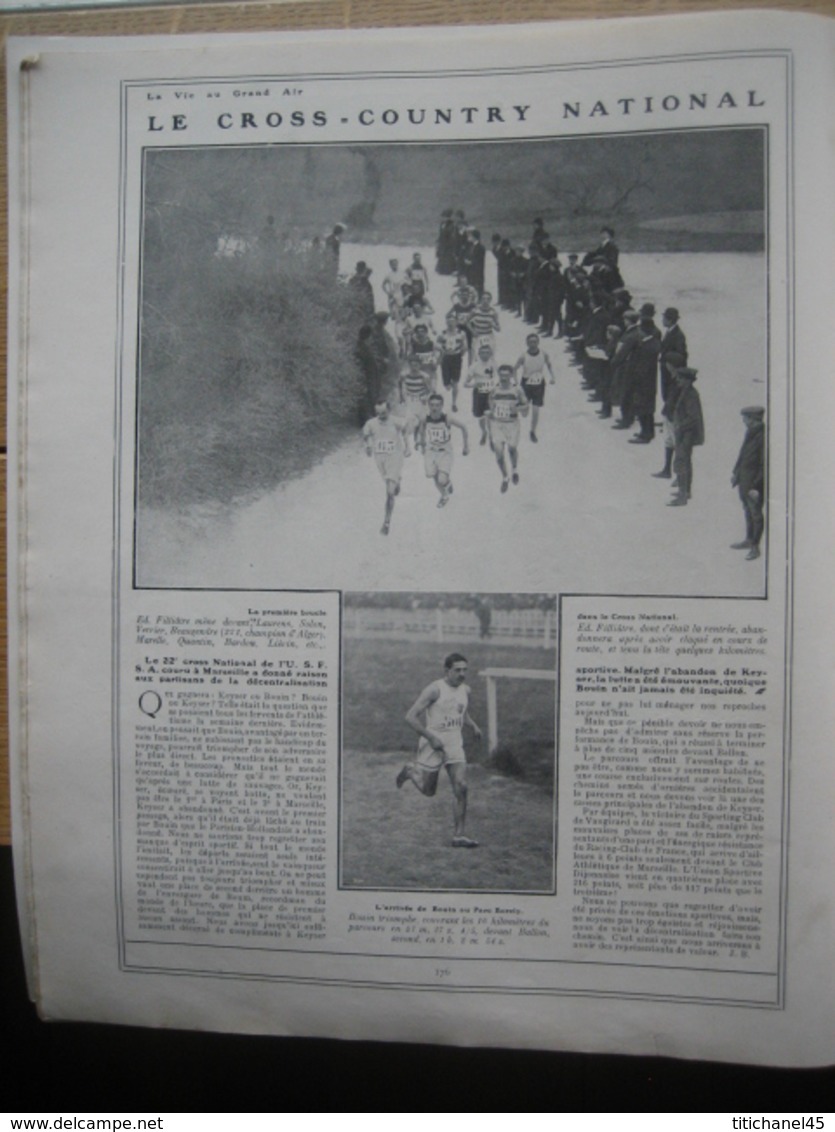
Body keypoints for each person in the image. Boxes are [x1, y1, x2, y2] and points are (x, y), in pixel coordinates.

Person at [397, 652, 483, 849]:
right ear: (447, 671)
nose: (462, 674)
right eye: (457, 670)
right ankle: (411, 771)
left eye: (465, 670)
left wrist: (472, 725)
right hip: (433, 742)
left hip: (454, 742)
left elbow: (461, 710)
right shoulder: (434, 690)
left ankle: (459, 836)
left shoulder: (465, 689)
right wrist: (431, 738)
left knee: (461, 786)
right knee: (429, 790)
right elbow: (410, 716)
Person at [362, 400, 411, 535]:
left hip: (395, 458)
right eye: (378, 413)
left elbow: (406, 426)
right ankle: (397, 481)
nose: (381, 416)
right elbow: (365, 434)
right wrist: (367, 445)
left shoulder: (395, 421)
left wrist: (407, 445)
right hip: (380, 459)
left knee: (389, 492)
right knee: (390, 485)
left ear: (389, 410)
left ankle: (386, 522)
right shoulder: (371, 423)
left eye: (383, 413)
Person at [417, 392, 469, 507]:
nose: (434, 408)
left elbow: (463, 427)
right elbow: (421, 431)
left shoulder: (447, 418)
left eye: (437, 405)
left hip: (445, 451)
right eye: (432, 405)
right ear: (429, 405)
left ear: (442, 406)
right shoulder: (425, 418)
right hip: (431, 450)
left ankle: (446, 486)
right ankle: (444, 494)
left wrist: (466, 446)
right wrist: (422, 444)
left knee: (441, 480)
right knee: (431, 475)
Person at [487, 364, 529, 492]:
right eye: (501, 375)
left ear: (511, 375)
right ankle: (505, 477)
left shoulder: (517, 390)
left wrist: (517, 408)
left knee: (511, 449)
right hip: (497, 424)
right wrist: (490, 435)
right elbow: (491, 412)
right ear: (498, 375)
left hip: (512, 424)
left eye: (506, 375)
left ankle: (514, 469)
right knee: (499, 454)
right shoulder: (494, 390)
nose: (504, 377)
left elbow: (526, 407)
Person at [731, 406, 766, 559]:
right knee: (747, 511)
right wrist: (736, 473)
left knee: (756, 514)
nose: (743, 421)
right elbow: (743, 455)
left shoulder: (762, 436)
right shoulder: (751, 433)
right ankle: (748, 539)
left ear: (753, 420)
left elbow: (763, 464)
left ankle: (755, 547)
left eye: (745, 418)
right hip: (744, 480)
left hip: (752, 484)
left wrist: (756, 486)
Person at [667, 366, 704, 506]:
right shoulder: (687, 391)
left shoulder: (690, 395)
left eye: (680, 378)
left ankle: (682, 495)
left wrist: (679, 426)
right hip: (684, 432)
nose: (678, 381)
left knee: (681, 461)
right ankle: (686, 491)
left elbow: (692, 417)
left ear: (687, 380)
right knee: (685, 461)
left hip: (686, 433)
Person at [514, 332, 555, 442]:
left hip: (539, 384)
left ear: (538, 342)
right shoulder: (523, 356)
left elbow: (549, 364)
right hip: (526, 384)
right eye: (530, 342)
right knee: (524, 412)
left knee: (536, 410)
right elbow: (515, 368)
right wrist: (516, 382)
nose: (533, 344)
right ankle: (519, 408)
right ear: (527, 343)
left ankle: (532, 431)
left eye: (535, 341)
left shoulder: (543, 353)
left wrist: (552, 377)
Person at [463, 340, 497, 447]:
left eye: (487, 352)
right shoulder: (474, 366)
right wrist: (474, 385)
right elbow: (465, 383)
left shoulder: (494, 364)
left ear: (490, 353)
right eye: (483, 352)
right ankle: (484, 432)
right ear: (479, 353)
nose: (485, 355)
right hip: (479, 393)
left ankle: (492, 438)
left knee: (490, 416)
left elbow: (497, 379)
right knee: (480, 416)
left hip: (490, 393)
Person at [437, 312, 468, 412]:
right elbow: (437, 346)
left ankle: (454, 403)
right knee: (447, 386)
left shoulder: (461, 333)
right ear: (446, 322)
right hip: (446, 358)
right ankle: (447, 383)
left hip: (456, 358)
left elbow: (465, 346)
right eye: (449, 322)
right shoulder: (442, 334)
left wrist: (461, 353)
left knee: (455, 382)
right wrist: (440, 354)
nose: (451, 324)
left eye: (453, 321)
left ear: (456, 322)